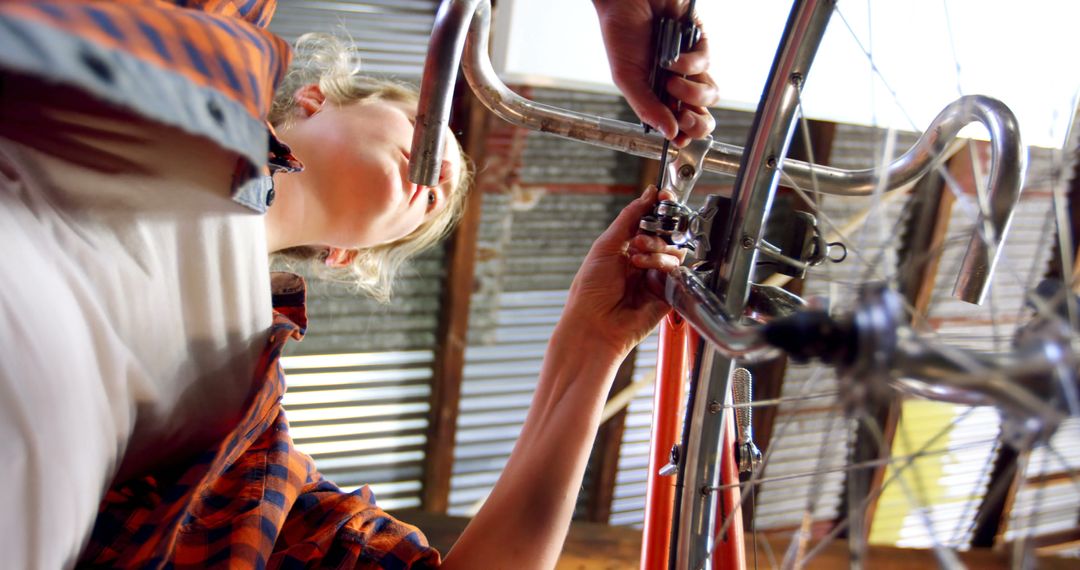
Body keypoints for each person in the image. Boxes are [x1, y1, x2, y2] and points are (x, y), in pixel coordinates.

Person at [0, 1, 715, 567]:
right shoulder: (197, 57)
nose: (440, 172)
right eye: (419, 123)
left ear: (345, 256)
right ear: (313, 99)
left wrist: (590, 343)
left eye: (433, 205)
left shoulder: (241, 426)